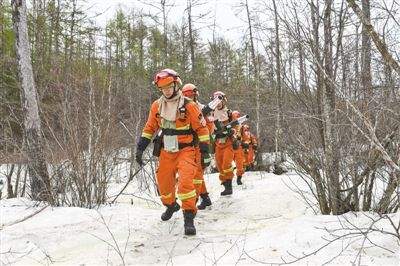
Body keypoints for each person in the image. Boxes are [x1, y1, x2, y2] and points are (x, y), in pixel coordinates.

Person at [135, 69, 211, 236]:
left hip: (186, 150)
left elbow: (202, 128)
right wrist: (140, 147)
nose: (167, 91)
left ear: (176, 85)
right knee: (164, 183)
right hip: (166, 151)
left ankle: (189, 218)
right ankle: (170, 205)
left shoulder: (189, 106)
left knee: (186, 184)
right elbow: (150, 128)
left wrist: (205, 152)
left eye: (169, 87)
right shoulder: (156, 106)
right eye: (163, 89)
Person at [181, 83, 213, 210]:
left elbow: (209, 128)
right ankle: (205, 197)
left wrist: (203, 122)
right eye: (187, 95)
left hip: (200, 144)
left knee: (197, 174)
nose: (190, 98)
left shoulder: (203, 108)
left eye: (191, 95)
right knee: (192, 173)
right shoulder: (181, 108)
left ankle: (192, 202)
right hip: (187, 145)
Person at [212, 91, 235, 196]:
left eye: (220, 100)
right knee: (220, 165)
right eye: (216, 100)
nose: (218, 103)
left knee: (226, 163)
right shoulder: (212, 113)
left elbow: (237, 126)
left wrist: (233, 131)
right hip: (218, 143)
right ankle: (225, 184)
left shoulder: (229, 113)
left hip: (228, 142)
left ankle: (229, 186)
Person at [231, 110, 245, 185]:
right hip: (230, 147)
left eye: (238, 117)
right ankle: (228, 180)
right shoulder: (229, 125)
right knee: (228, 164)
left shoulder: (241, 127)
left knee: (240, 164)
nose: (237, 118)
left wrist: (244, 144)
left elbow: (244, 137)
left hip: (238, 146)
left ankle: (239, 178)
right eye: (236, 117)